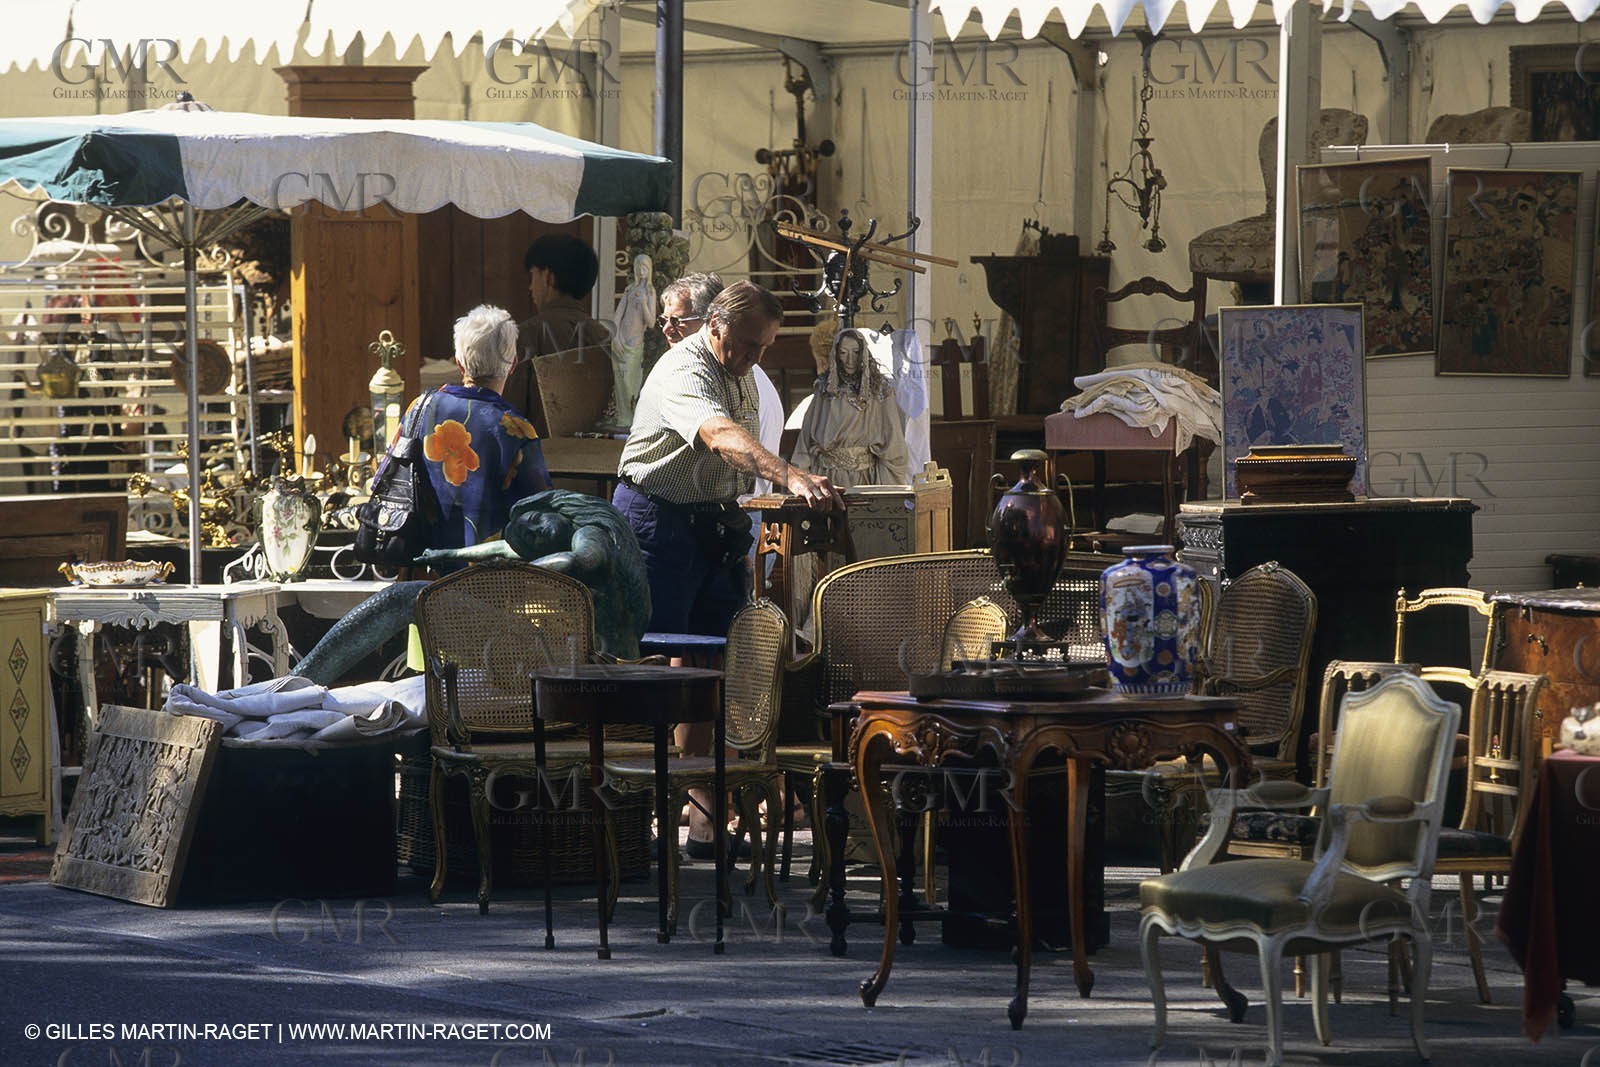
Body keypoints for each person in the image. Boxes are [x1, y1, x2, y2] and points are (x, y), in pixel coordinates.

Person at [617, 280, 840, 856]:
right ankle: (633, 813)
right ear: (712, 325)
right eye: (744, 344)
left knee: (715, 662)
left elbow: (748, 449)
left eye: (763, 348)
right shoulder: (683, 369)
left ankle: (704, 817)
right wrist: (792, 476)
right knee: (658, 663)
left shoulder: (746, 372)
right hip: (658, 521)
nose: (751, 357)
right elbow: (719, 436)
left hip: (716, 526)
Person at [395, 304, 552, 567]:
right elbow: (541, 514)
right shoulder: (516, 429)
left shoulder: (418, 409)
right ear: (513, 364)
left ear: (458, 362)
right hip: (490, 584)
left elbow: (386, 474)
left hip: (421, 573)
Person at [660, 272, 785, 493]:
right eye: (664, 320)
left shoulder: (746, 373)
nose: (667, 329)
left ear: (712, 321)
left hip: (742, 505)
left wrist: (790, 476)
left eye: (677, 321)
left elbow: (721, 436)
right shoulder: (687, 367)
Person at [504, 233, 610, 437]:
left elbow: (511, 411)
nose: (530, 287)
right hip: (595, 458)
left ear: (547, 277)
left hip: (540, 460)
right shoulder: (603, 334)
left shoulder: (528, 334)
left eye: (532, 275)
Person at [792, 327, 911, 488]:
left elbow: (893, 445)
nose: (850, 360)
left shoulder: (879, 390)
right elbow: (806, 440)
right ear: (836, 354)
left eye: (855, 352)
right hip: (826, 478)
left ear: (863, 353)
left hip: (863, 480)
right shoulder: (824, 389)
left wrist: (886, 490)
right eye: (843, 353)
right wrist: (803, 479)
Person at [608, 253, 656, 428]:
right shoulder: (629, 290)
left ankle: (632, 417)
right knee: (620, 383)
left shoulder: (650, 292)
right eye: (639, 267)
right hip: (620, 342)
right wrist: (617, 337)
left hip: (635, 344)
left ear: (649, 270)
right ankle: (623, 417)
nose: (641, 271)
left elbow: (651, 323)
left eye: (645, 268)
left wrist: (643, 303)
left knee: (630, 383)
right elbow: (617, 316)